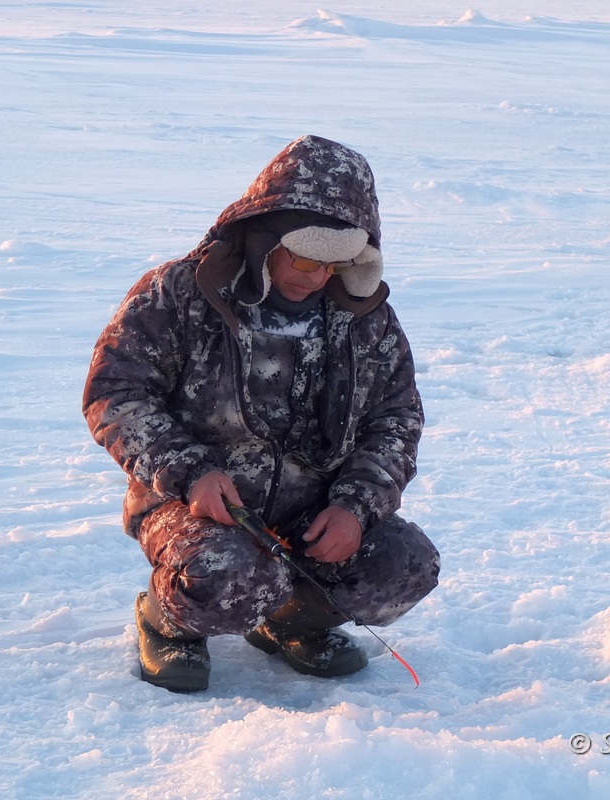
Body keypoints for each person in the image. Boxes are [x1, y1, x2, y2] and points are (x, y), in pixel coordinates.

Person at [82, 135, 440, 692]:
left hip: (315, 512)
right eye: (305, 256)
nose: (317, 276)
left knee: (404, 565)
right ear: (265, 236)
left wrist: (356, 505)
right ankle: (168, 621)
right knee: (226, 577)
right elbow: (116, 394)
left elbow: (395, 419)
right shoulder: (178, 293)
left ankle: (287, 625)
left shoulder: (366, 316)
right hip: (200, 508)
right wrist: (189, 472)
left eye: (337, 261)